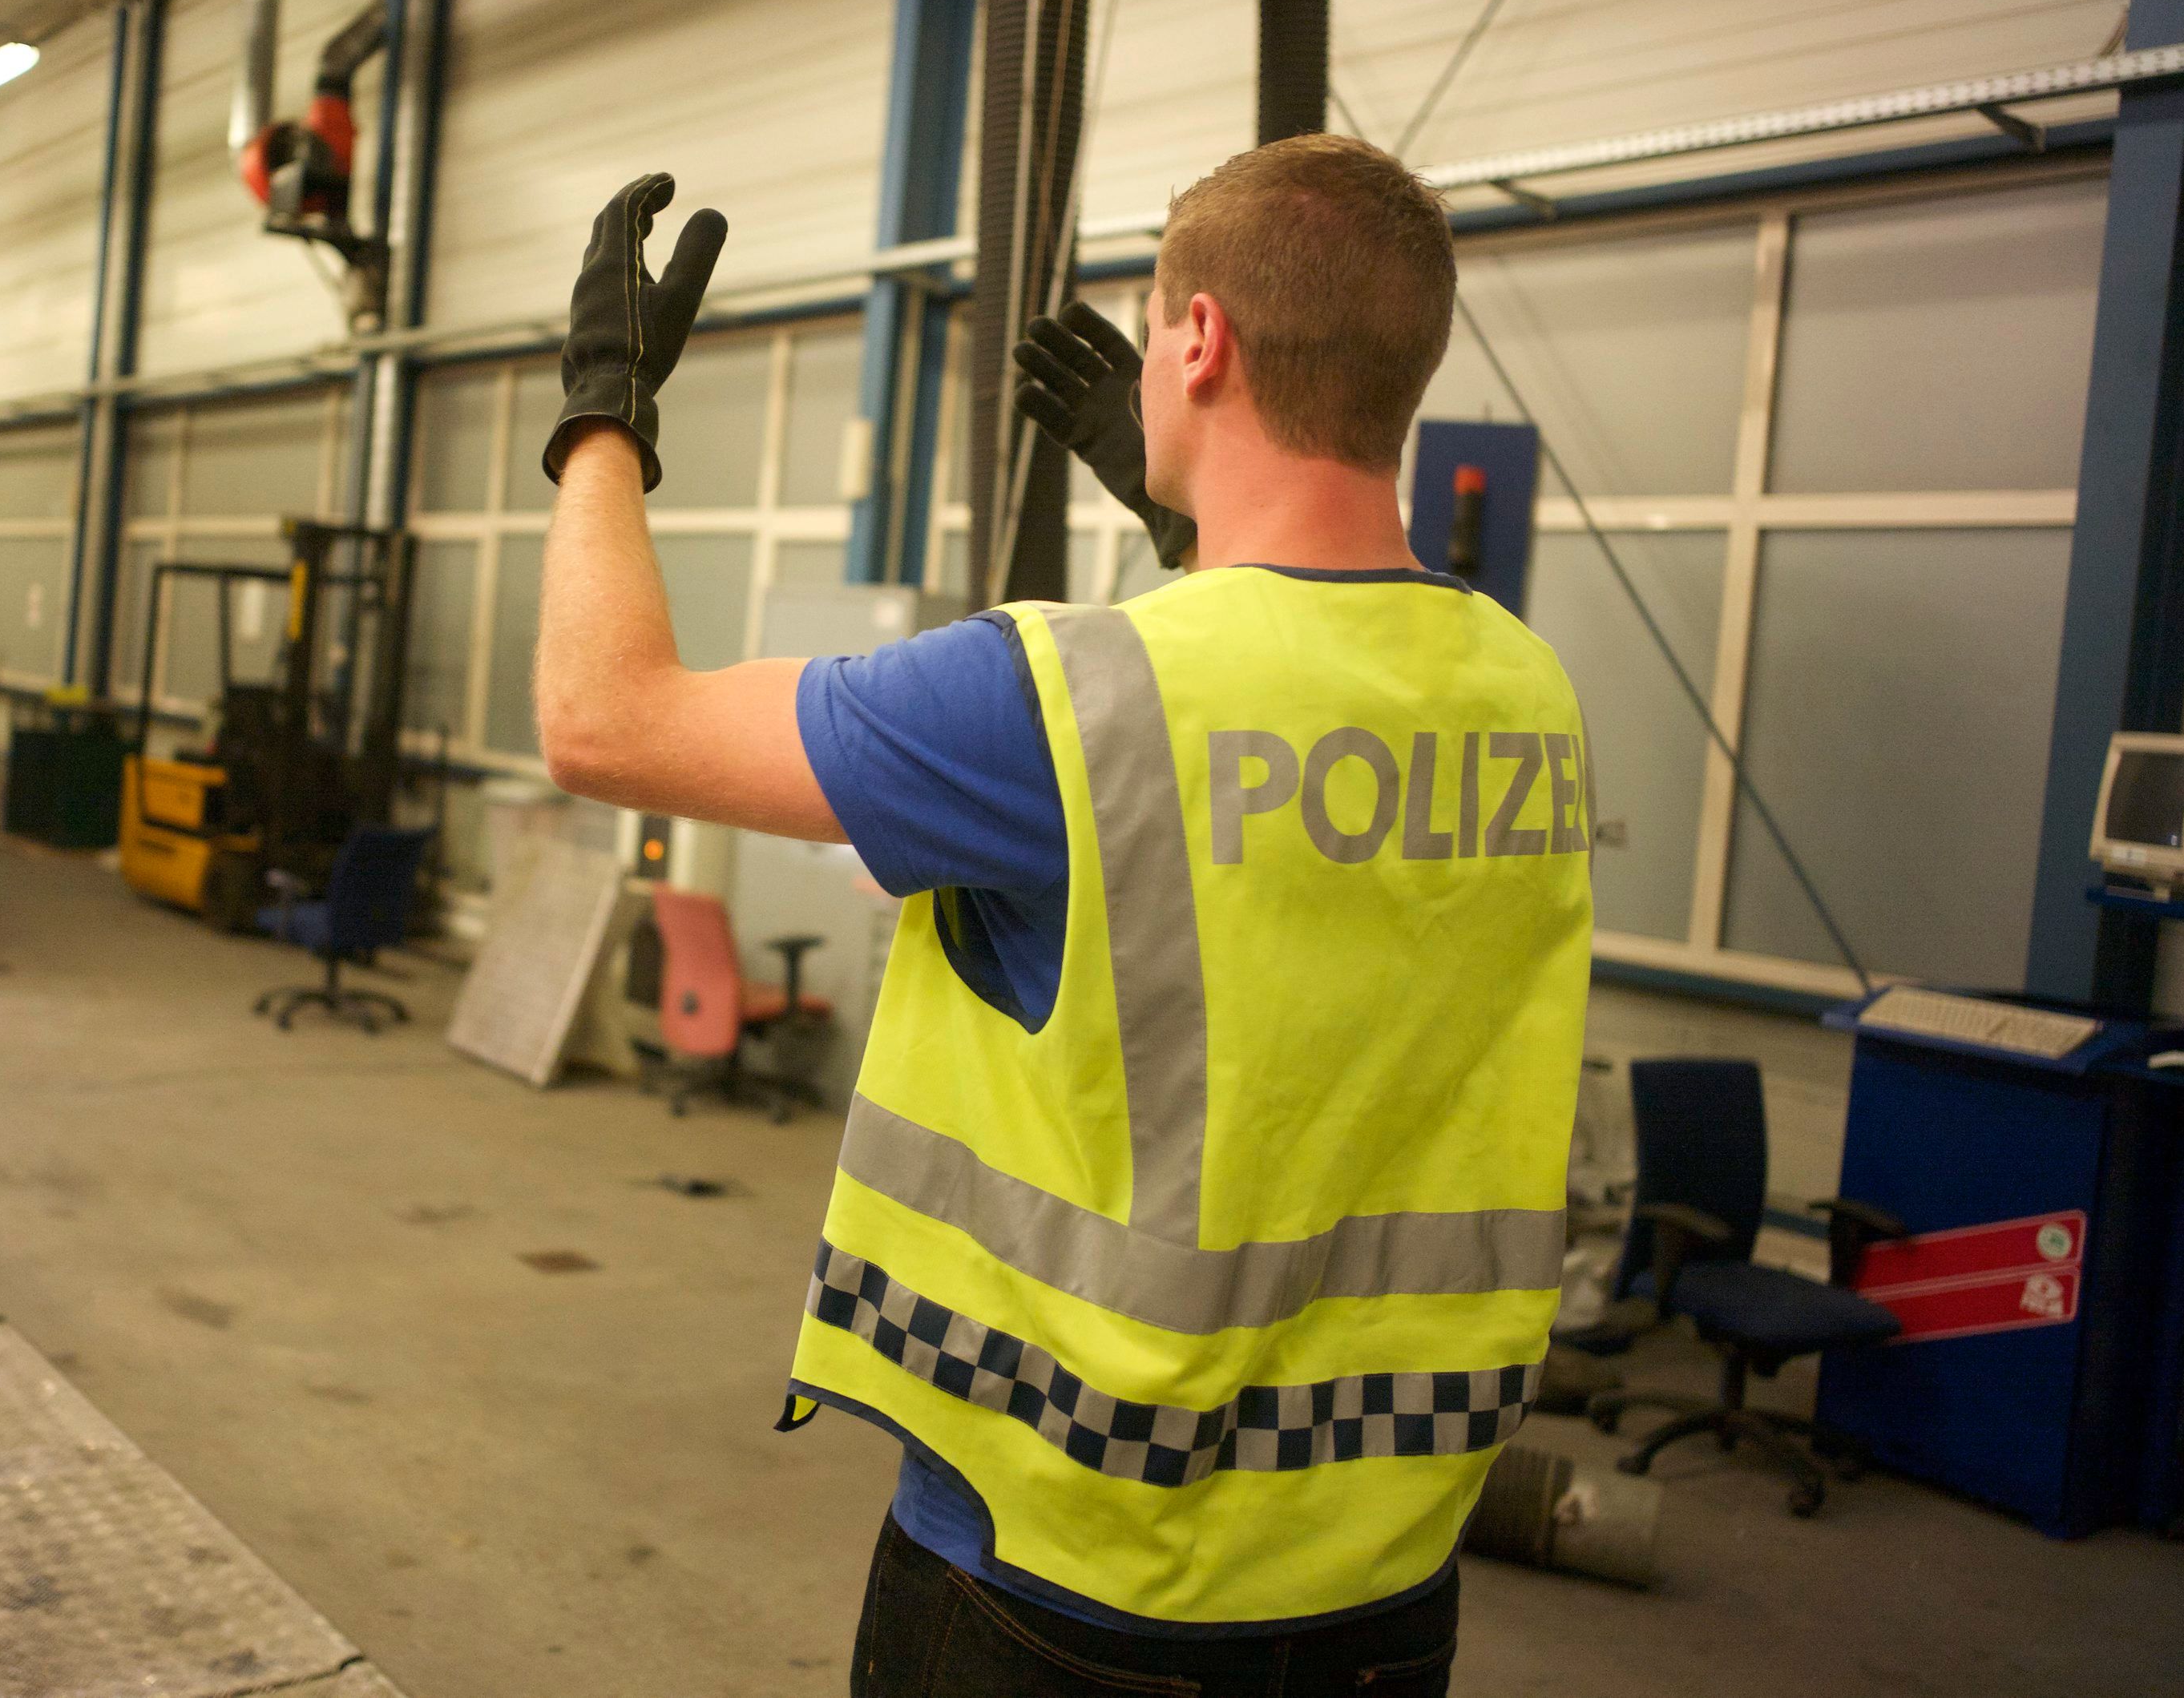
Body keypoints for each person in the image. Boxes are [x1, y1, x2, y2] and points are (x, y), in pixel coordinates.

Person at [532, 139, 1593, 1696]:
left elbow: (605, 722)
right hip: (1380, 1595)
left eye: (1156, 312)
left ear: (1201, 342)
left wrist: (600, 416)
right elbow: (1305, 727)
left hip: (1067, 1593)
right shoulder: (1524, 695)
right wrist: (1194, 531)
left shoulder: (1057, 700)